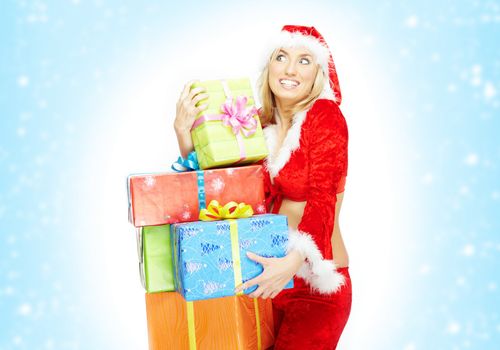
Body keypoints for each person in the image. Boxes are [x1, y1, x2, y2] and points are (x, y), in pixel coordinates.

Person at [174, 25, 351, 350]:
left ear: (318, 74)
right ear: (268, 65)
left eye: (304, 60)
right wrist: (185, 134)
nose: (290, 69)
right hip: (264, 282)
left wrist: (292, 262)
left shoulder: (325, 117)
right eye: (281, 56)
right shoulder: (258, 125)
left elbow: (322, 198)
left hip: (312, 288)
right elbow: (222, 191)